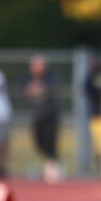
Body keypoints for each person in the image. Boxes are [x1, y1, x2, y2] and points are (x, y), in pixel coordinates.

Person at [23, 54, 61, 183]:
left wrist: (38, 90)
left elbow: (47, 90)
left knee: (50, 140)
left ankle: (53, 168)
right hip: (37, 115)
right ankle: (50, 163)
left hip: (50, 114)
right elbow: (26, 89)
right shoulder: (29, 78)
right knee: (38, 140)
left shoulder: (51, 77)